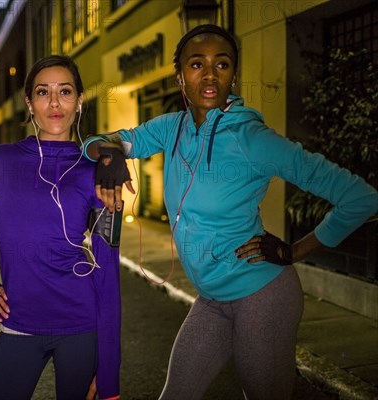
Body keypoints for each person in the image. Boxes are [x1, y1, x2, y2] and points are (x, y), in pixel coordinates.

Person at [83, 24, 378, 399]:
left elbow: (361, 197)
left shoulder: (252, 139)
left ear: (233, 75)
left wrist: (292, 252)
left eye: (221, 64)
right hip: (211, 299)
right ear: (180, 77)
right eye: (196, 64)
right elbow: (101, 142)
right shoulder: (171, 129)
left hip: (263, 298)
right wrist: (108, 154)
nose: (209, 74)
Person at [0, 55, 121, 400]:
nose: (55, 103)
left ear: (79, 102)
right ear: (29, 103)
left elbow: (108, 272)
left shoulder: (97, 172)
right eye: (43, 92)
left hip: (82, 324)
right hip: (20, 323)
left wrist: (109, 376)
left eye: (65, 92)